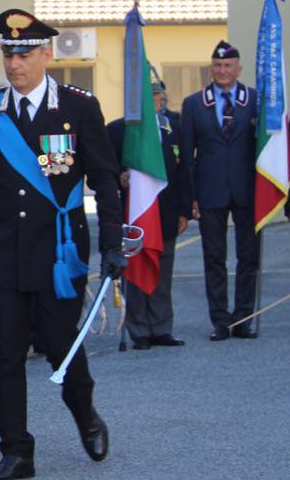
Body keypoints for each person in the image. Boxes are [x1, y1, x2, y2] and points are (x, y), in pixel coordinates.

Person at [0, 9, 125, 480]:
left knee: (60, 346)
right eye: (8, 53)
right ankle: (16, 451)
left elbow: (104, 179)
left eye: (25, 53)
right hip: (4, 250)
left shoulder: (78, 108)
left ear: (47, 54)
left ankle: (85, 413)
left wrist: (112, 243)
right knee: (6, 354)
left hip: (57, 250)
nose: (15, 63)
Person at [180, 41, 259, 341]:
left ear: (238, 68)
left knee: (248, 258)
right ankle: (220, 321)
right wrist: (190, 198)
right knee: (214, 258)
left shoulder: (254, 100)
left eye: (228, 65)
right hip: (209, 189)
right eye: (217, 65)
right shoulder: (194, 104)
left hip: (248, 190)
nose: (222, 70)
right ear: (211, 68)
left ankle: (244, 318)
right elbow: (187, 155)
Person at [106, 79, 190, 350]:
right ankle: (139, 329)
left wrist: (185, 210)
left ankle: (162, 328)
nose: (155, 101)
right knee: (136, 270)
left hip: (165, 211)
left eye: (158, 97)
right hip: (134, 213)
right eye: (149, 97)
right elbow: (105, 169)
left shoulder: (173, 127)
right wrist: (120, 176)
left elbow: (184, 170)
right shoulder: (119, 130)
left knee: (163, 272)